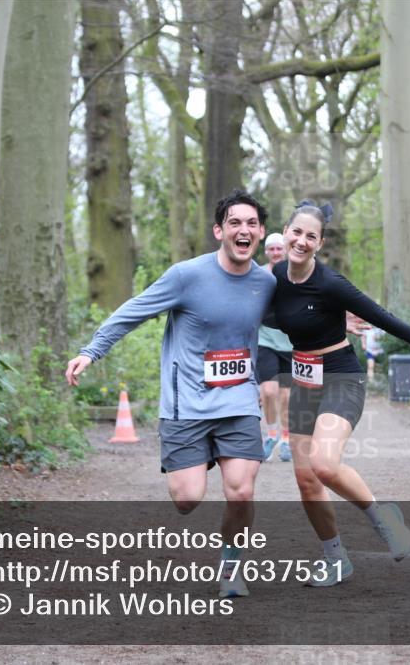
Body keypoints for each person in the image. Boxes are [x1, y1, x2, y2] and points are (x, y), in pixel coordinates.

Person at [65, 190, 274, 599]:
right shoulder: (187, 276)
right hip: (187, 404)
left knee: (242, 490)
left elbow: (305, 311)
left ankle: (232, 564)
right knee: (187, 498)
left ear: (262, 233)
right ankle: (203, 461)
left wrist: (339, 330)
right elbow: (134, 310)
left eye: (251, 224)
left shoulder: (266, 283)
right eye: (234, 223)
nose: (243, 230)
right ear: (219, 231)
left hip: (238, 401)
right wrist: (92, 350)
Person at [270, 200, 410, 587]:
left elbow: (380, 316)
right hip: (304, 380)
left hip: (340, 376)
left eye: (311, 236)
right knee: (306, 480)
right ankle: (335, 558)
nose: (301, 241)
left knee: (323, 463)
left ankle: (385, 520)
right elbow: (265, 313)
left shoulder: (331, 283)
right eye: (296, 232)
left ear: (319, 244)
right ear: (284, 232)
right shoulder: (274, 278)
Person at [257, 233, 294, 462]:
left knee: (287, 396)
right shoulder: (259, 275)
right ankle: (271, 435)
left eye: (279, 249)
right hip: (265, 340)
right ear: (266, 252)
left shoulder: (296, 273)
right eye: (271, 249)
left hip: (290, 342)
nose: (276, 253)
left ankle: (286, 440)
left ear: (286, 250)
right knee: (269, 392)